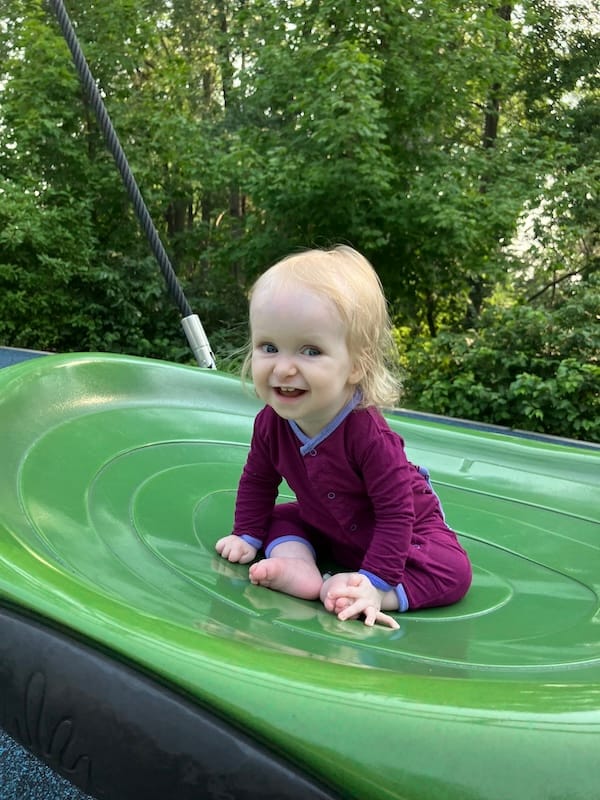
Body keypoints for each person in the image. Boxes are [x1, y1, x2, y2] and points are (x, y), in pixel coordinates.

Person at [215, 246, 472, 629]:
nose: (283, 368)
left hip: (404, 533)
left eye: (310, 351)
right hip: (329, 525)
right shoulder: (270, 422)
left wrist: (374, 582)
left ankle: (370, 592)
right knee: (278, 517)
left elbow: (396, 515)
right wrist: (247, 534)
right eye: (269, 347)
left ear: (357, 365)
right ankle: (298, 567)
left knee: (454, 571)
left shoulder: (369, 435)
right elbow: (258, 480)